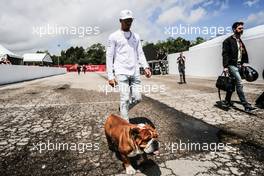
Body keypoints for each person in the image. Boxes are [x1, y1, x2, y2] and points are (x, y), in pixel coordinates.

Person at [106, 9, 151, 121]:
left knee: (138, 98)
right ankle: (125, 127)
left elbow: (140, 53)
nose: (129, 23)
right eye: (126, 21)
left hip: (135, 71)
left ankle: (123, 110)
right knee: (125, 99)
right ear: (120, 21)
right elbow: (109, 56)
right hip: (121, 72)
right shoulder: (113, 36)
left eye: (130, 20)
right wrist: (110, 76)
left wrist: (145, 67)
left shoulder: (136, 36)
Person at [222, 21, 256, 112]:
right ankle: (246, 105)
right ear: (234, 29)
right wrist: (225, 67)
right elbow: (225, 54)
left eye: (242, 28)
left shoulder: (240, 41)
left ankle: (227, 101)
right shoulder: (227, 41)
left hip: (239, 65)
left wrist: (244, 62)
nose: (242, 30)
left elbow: (243, 53)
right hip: (231, 65)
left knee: (233, 83)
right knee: (239, 83)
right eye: (240, 28)